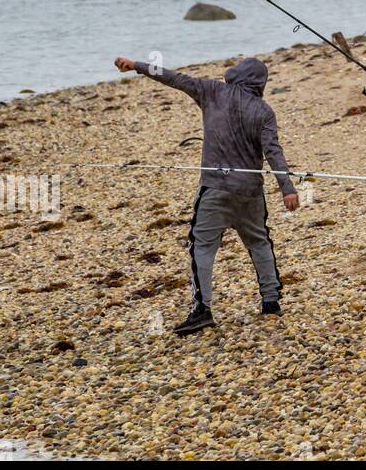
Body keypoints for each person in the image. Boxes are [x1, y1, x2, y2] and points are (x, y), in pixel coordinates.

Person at [113, 55, 300, 336]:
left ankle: (202, 310)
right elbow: (273, 151)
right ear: (260, 83)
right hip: (250, 191)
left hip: (215, 189)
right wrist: (287, 188)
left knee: (201, 246)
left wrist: (137, 65)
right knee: (259, 242)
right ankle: (271, 301)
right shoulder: (264, 110)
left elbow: (173, 78)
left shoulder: (212, 91)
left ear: (237, 76)